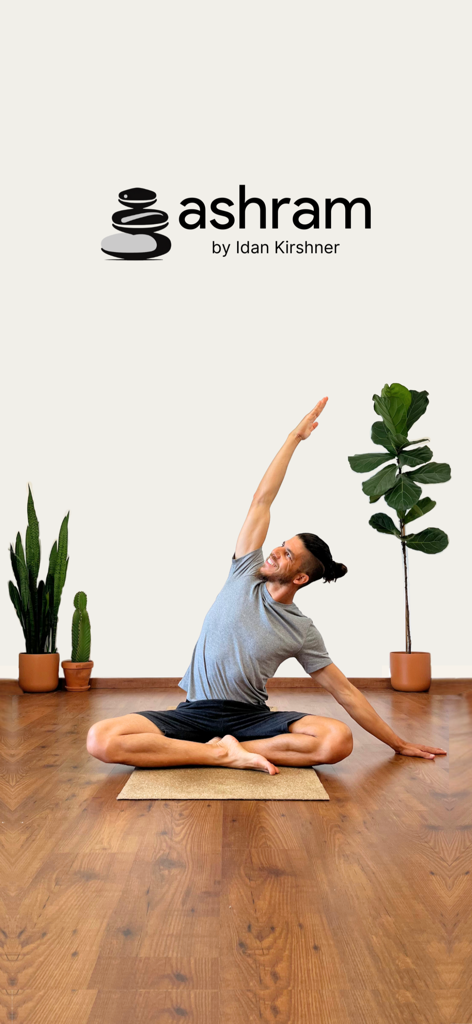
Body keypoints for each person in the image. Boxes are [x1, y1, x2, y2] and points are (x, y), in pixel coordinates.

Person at [87, 398, 447, 773]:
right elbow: (262, 499)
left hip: (251, 719)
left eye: (287, 554)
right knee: (101, 738)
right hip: (194, 713)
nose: (275, 551)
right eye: (281, 544)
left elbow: (345, 692)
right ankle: (220, 754)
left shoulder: (301, 630)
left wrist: (398, 743)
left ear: (300, 578)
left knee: (337, 739)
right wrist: (295, 437)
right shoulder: (245, 572)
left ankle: (231, 749)